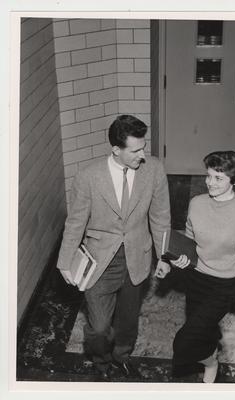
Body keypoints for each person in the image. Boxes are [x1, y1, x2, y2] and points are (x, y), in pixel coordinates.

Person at [57, 114, 171, 379]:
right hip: (99, 261)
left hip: (137, 257)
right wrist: (64, 261)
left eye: (143, 147)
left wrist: (164, 256)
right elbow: (75, 222)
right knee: (99, 327)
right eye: (135, 150)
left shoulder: (154, 170)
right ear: (116, 150)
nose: (142, 155)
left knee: (128, 321)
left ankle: (121, 356)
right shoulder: (88, 177)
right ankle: (101, 361)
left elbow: (161, 217)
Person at [155, 150, 235, 383]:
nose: (210, 183)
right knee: (204, 327)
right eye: (208, 176)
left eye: (218, 178)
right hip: (196, 279)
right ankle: (210, 349)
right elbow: (190, 241)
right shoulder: (197, 203)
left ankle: (210, 360)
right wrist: (178, 260)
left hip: (223, 285)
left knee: (185, 340)